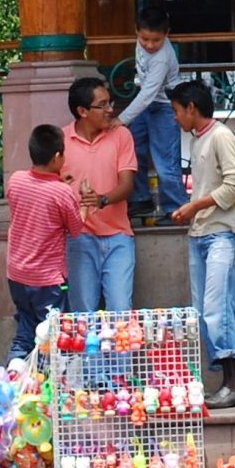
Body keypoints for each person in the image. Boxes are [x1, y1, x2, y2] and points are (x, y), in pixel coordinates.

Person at [170, 79, 235, 407]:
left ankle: (234, 382)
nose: (176, 118)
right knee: (203, 311)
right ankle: (227, 380)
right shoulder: (198, 139)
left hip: (222, 233)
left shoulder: (220, 135)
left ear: (191, 108)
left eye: (177, 111)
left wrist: (194, 206)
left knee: (218, 309)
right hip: (200, 234)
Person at [4, 123, 82, 359]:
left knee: (25, 332)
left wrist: (59, 184)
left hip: (17, 275)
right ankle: (54, 388)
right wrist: (83, 204)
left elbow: (37, 200)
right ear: (58, 156)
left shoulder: (16, 181)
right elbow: (76, 228)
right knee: (55, 338)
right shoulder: (61, 193)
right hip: (47, 281)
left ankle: (15, 380)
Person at [62, 76, 137, 314]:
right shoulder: (61, 141)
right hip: (78, 237)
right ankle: (85, 355)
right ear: (82, 111)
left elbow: (127, 185)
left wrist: (102, 199)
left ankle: (120, 355)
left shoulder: (121, 135)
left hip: (119, 236)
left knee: (121, 313)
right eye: (102, 105)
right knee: (82, 314)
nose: (110, 110)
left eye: (110, 103)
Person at [121, 5, 183, 223]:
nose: (149, 45)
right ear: (136, 31)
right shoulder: (142, 44)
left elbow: (148, 94)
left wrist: (121, 120)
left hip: (166, 107)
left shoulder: (162, 57)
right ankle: (140, 199)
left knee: (165, 162)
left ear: (166, 35)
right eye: (144, 39)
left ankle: (176, 211)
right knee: (131, 150)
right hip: (146, 105)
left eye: (155, 41)